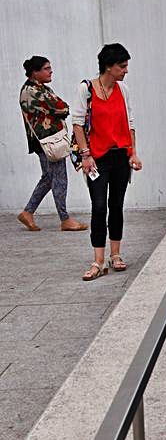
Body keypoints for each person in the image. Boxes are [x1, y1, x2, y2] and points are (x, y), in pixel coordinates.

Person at [72, 43, 143, 281]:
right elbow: (78, 124)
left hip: (120, 155)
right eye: (122, 66)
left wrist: (133, 153)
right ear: (109, 66)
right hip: (96, 157)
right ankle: (98, 260)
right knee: (99, 206)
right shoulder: (87, 89)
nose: (125, 71)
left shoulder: (123, 90)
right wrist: (85, 155)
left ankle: (116, 254)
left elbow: (129, 123)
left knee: (116, 205)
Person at [18, 56, 88, 232]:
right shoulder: (32, 91)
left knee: (49, 178)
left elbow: (59, 107)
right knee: (59, 178)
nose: (50, 71)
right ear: (35, 72)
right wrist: (60, 109)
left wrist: (58, 109)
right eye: (46, 68)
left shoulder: (40, 88)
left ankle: (28, 212)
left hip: (48, 141)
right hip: (48, 141)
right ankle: (65, 219)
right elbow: (62, 107)